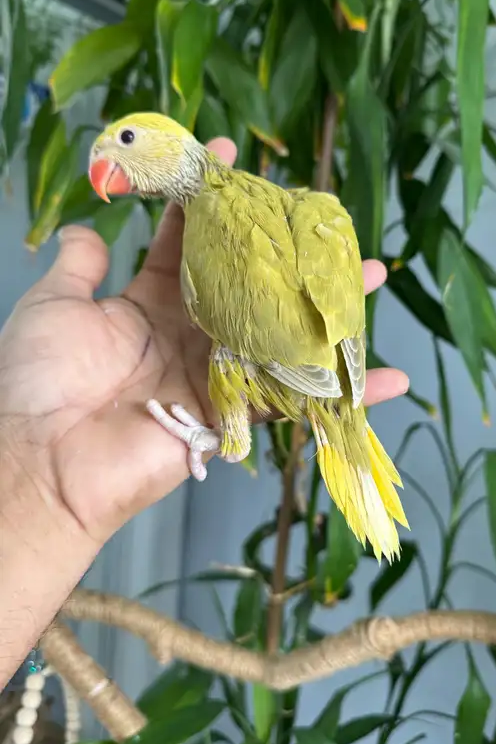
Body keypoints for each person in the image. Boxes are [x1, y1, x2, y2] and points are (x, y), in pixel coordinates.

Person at [0, 136, 409, 690]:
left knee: (227, 350)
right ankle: (268, 437)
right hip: (325, 371)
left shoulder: (217, 221)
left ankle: (229, 436)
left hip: (281, 368)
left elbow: (249, 336)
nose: (108, 156)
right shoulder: (304, 208)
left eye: (124, 139)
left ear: (171, 145)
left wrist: (34, 485)